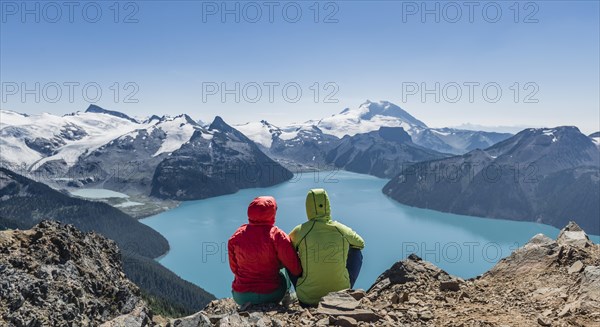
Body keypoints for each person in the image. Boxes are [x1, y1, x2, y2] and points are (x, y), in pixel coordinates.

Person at [289, 188, 365, 306]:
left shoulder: (300, 231)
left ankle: (299, 290)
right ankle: (346, 287)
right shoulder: (340, 229)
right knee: (356, 251)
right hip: (340, 294)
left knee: (289, 255)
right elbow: (360, 244)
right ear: (328, 205)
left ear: (308, 208)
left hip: (307, 299)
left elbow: (286, 248)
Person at [228, 196, 302, 306]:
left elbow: (234, 269)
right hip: (272, 294)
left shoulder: (237, 236)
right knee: (283, 270)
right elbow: (295, 269)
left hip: (241, 296)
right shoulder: (278, 235)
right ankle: (286, 300)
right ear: (271, 213)